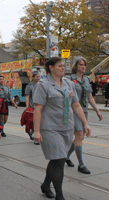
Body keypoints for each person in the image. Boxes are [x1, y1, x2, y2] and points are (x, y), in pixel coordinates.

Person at [32, 57, 91, 200]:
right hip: (50, 129)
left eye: (63, 66)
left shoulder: (69, 84)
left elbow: (76, 105)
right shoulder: (43, 85)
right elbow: (38, 110)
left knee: (56, 159)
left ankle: (46, 185)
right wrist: (37, 131)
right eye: (59, 66)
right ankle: (60, 195)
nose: (63, 68)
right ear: (51, 68)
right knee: (59, 159)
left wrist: (85, 123)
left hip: (66, 128)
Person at [65, 58, 103, 174]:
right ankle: (81, 165)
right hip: (74, 110)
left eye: (84, 65)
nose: (83, 67)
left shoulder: (86, 79)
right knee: (80, 135)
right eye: (81, 65)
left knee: (79, 137)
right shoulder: (69, 79)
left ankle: (66, 155)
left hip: (84, 111)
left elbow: (90, 97)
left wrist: (97, 110)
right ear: (75, 66)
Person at [24, 71, 41, 145]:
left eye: (39, 77)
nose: (38, 78)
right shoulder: (29, 86)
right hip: (32, 107)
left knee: (39, 123)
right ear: (33, 77)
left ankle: (35, 136)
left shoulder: (41, 85)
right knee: (34, 122)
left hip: (40, 107)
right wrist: (27, 107)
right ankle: (35, 137)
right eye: (37, 77)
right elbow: (27, 97)